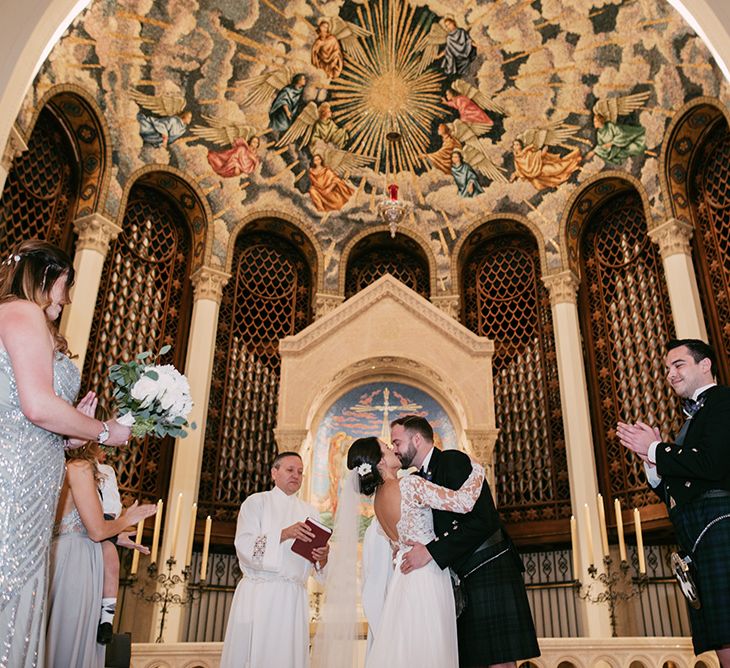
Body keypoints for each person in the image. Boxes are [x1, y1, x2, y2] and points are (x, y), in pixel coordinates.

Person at [0, 239, 131, 668]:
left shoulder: (23, 315)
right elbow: (37, 405)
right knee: (12, 583)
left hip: (34, 472)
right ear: (45, 277)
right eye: (64, 286)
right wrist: (105, 431)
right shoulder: (23, 311)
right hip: (15, 477)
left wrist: (71, 436)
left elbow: (28, 410)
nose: (68, 297)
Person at [312, 436, 485, 668]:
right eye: (386, 447)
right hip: (427, 575)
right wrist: (477, 467)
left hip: (403, 580)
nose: (393, 448)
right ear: (380, 462)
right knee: (429, 649)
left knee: (410, 648)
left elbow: (398, 544)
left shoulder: (378, 503)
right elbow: (464, 502)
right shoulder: (408, 485)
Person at [391, 415, 540, 668]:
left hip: (488, 565)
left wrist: (431, 552)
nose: (395, 449)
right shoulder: (418, 478)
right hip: (464, 574)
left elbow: (483, 520)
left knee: (499, 662)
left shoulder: (452, 460)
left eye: (397, 442)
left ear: (417, 438)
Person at [617, 339, 730, 666]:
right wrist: (653, 467)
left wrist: (656, 449)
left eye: (678, 365)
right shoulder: (692, 420)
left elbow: (713, 465)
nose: (670, 374)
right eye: (667, 368)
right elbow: (686, 488)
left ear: (704, 364)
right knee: (721, 638)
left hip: (719, 524)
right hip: (699, 531)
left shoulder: (723, 401)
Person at [46, 439, 155, 668]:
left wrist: (118, 536)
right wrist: (127, 519)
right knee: (72, 637)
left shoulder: (53, 465)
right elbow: (97, 531)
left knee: (54, 634)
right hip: (78, 560)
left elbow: (76, 523)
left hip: (59, 552)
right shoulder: (80, 468)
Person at [220, 451, 329, 668]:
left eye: (300, 472)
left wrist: (322, 558)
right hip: (261, 594)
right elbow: (244, 547)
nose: (296, 476)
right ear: (274, 472)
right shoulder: (256, 503)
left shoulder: (310, 512)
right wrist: (284, 534)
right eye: (290, 470)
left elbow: (318, 567)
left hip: (293, 598)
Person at [95, 447, 123, 645]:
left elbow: (113, 504)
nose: (104, 452)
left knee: (112, 564)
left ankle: (107, 619)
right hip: (91, 517)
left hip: (108, 522)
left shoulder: (107, 471)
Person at [511, 139, 582, 190]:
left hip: (542, 168)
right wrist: (514, 175)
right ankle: (574, 165)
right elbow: (519, 170)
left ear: (521, 145)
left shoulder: (528, 152)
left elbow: (538, 156)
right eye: (514, 145)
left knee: (557, 169)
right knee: (554, 178)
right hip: (539, 176)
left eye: (517, 144)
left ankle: (574, 161)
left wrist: (543, 152)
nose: (515, 146)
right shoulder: (516, 159)